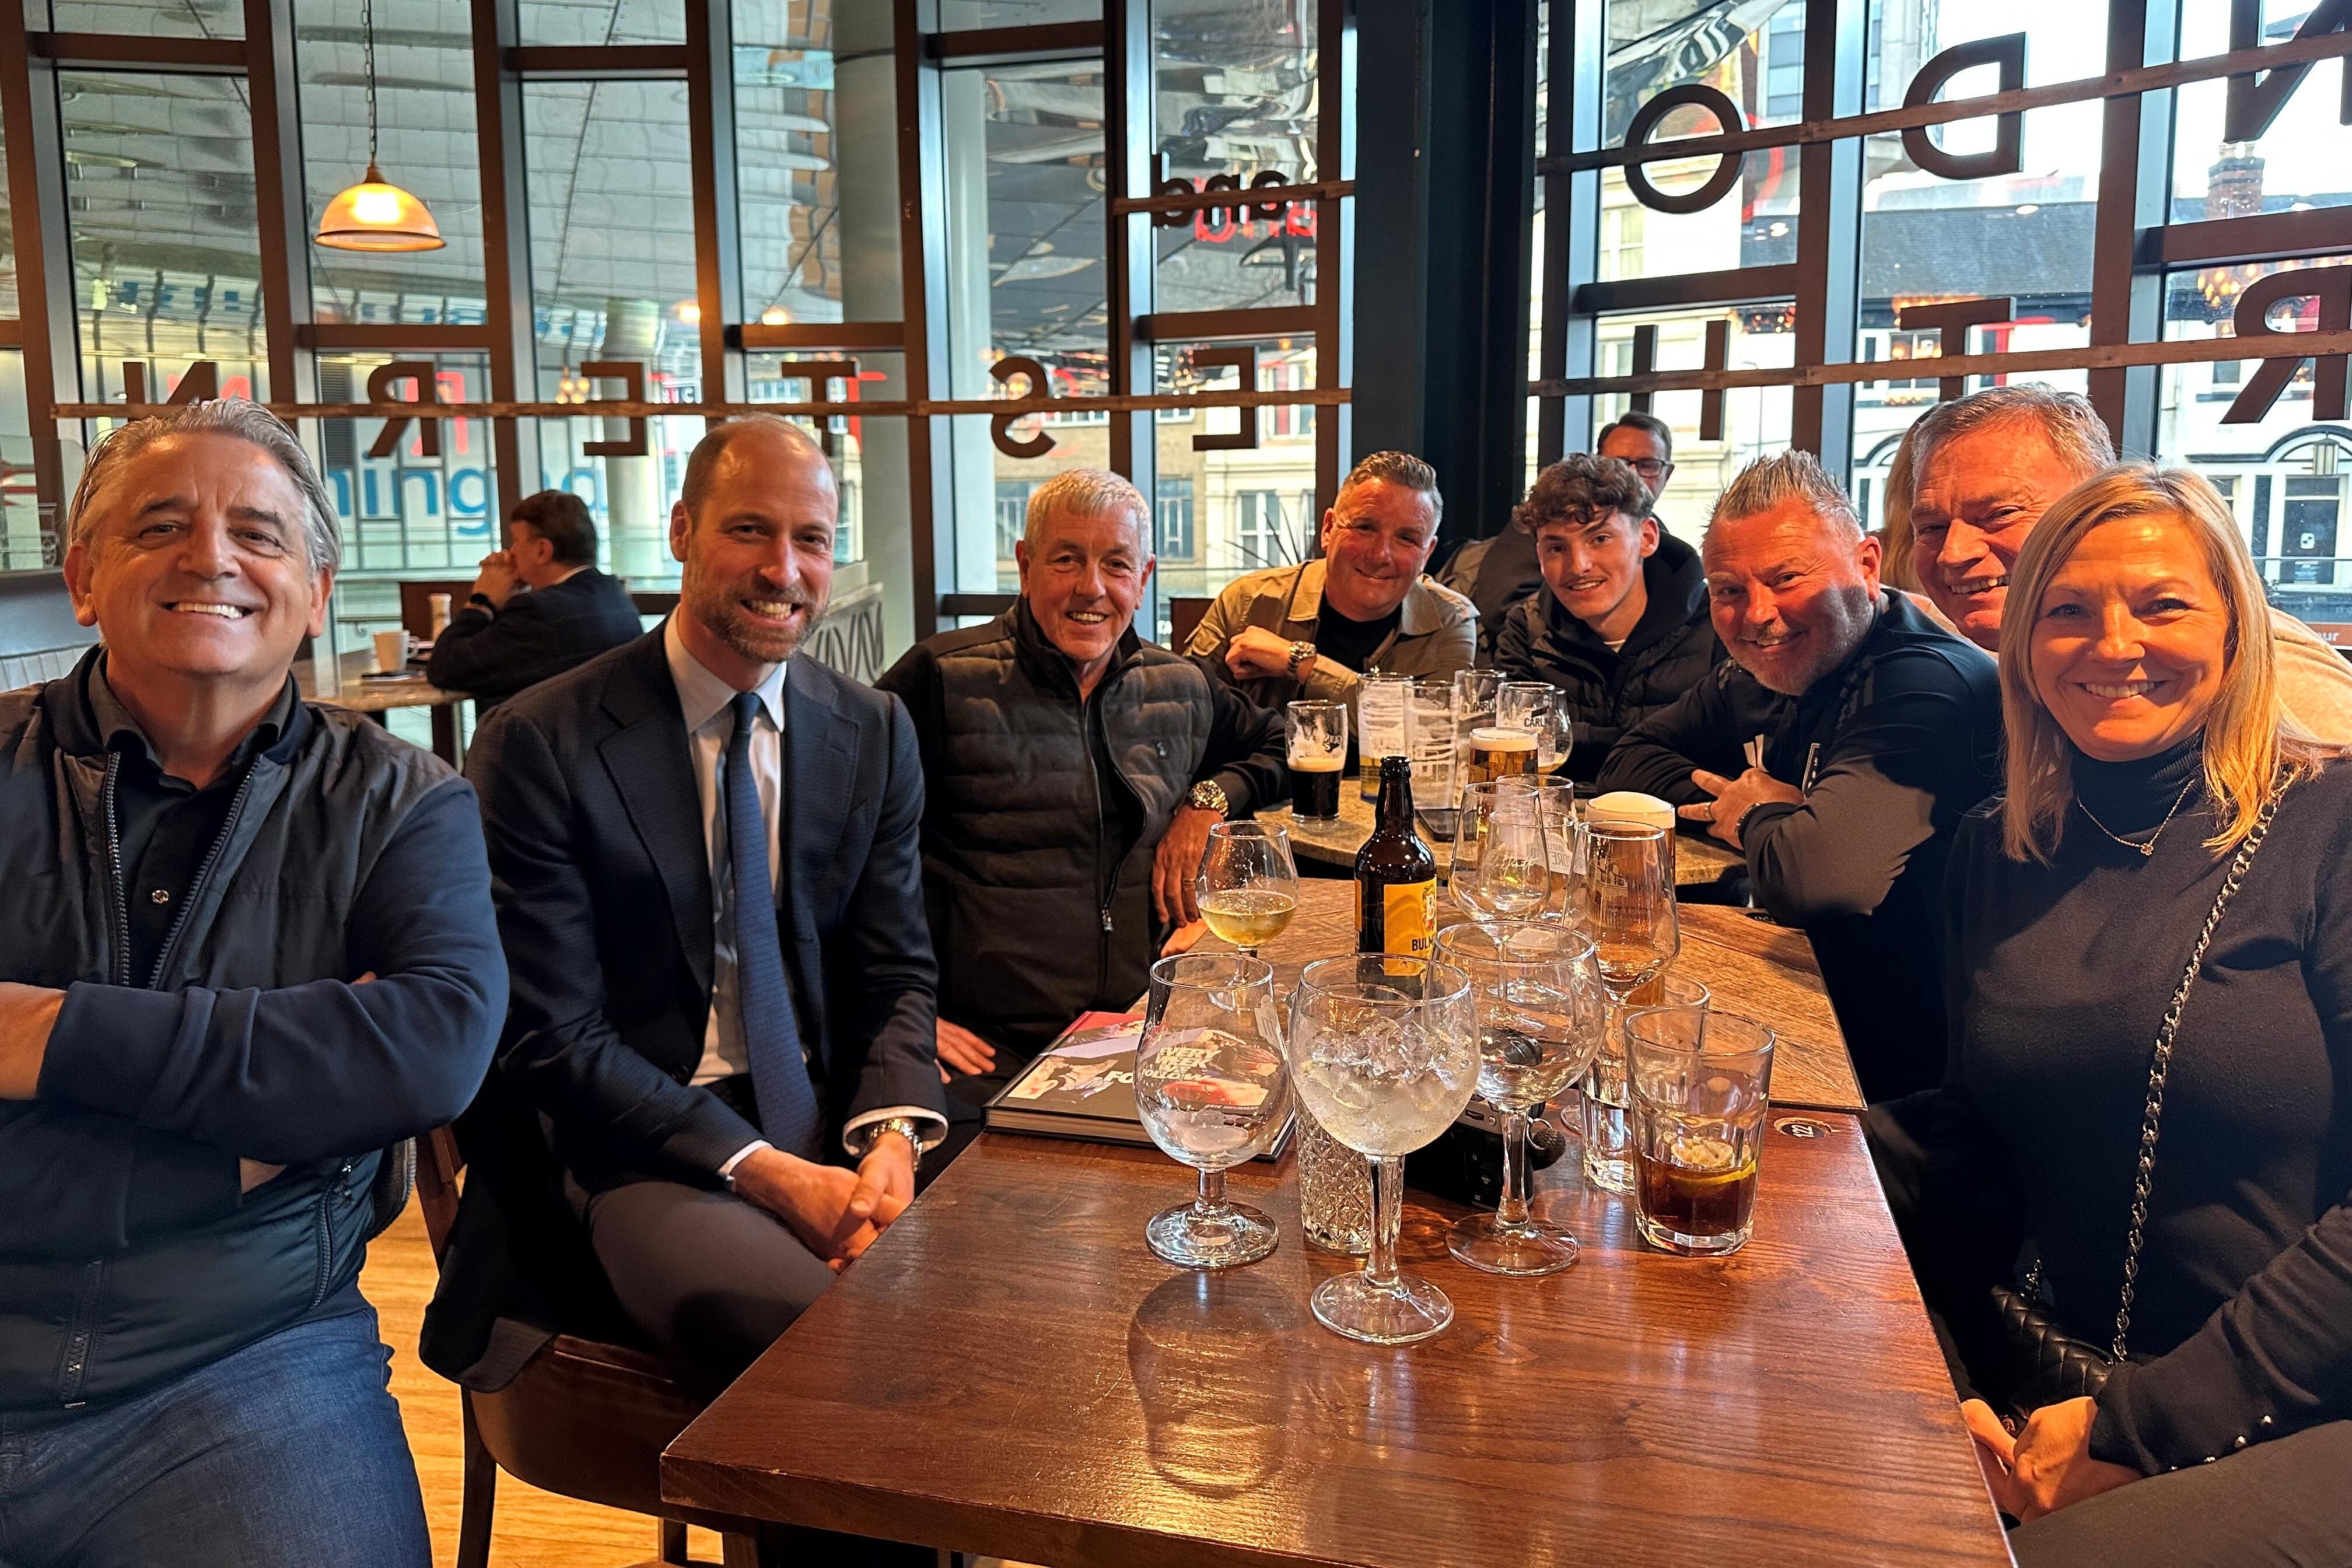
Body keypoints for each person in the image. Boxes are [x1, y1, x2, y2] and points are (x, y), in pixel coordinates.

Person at [0, 400, 506, 1567]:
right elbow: (365, 1065)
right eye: (160, 526)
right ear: (84, 577)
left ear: (317, 591)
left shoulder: (400, 800)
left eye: (261, 535)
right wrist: (244, 1146)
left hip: (249, 1353)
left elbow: (430, 1047)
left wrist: (45, 1036)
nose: (213, 556)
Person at [1867, 466, 2352, 1565]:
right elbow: (1974, 1140)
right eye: (2068, 610)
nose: (2113, 643)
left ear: (2237, 626)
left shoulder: (2331, 823)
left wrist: (2140, 1428)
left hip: (2304, 1398)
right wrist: (1930, 1378)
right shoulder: (1998, 848)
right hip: (2060, 1372)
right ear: (2024, 648)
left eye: (2163, 604)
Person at [429, 415, 945, 1405]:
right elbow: (550, 1036)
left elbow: (894, 969)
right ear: (679, 530)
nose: (783, 570)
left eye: (813, 540)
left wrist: (888, 1135)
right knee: (834, 1353)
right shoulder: (540, 742)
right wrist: (768, 1171)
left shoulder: (870, 729)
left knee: (1035, 1278)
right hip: (632, 1144)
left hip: (828, 1110)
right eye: (749, 530)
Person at [878, 468, 1287, 1152]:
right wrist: (902, 1014)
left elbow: (1282, 745)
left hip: (1141, 1033)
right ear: (1026, 563)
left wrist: (1207, 803)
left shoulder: (1181, 684)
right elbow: (839, 854)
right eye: (1067, 558)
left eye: (1115, 564)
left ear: (1145, 574)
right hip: (981, 1047)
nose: (1091, 588)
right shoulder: (944, 678)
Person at [1598, 450, 1999, 1102]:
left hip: (1906, 1076)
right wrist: (1742, 804)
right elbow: (1632, 758)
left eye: (1787, 578)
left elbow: (1819, 876)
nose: (1757, 614)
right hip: (1799, 1000)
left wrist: (1759, 819)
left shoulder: (1923, 677)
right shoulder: (1761, 670)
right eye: (1729, 591)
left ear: (1867, 566)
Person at [1898, 383, 2352, 741]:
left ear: (2099, 501)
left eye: (1999, 515)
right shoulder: (2014, 645)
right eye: (1932, 528)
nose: (1955, 553)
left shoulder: (2264, 666)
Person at [1491, 452, 1719, 782]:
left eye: (1599, 539)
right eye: (1557, 548)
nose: (1578, 566)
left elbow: (1716, 758)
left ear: (1647, 537)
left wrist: (1572, 739)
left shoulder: (1716, 625)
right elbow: (1515, 756)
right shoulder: (1527, 630)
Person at [1185, 450, 1475, 705]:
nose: (1380, 555)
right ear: (1328, 529)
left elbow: (1430, 734)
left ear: (1427, 553)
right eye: (1365, 527)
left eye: (1406, 538)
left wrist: (1301, 664)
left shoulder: (1450, 620)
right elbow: (1182, 707)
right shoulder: (1249, 603)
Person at [1452, 413, 1679, 649]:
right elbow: (1502, 607)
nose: (1632, 474)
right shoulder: (1544, 517)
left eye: (1648, 465)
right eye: (1619, 464)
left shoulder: (1695, 621)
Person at [424, 488, 644, 710]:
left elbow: (444, 668)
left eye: (516, 541)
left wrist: (482, 601)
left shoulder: (537, 612)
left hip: (534, 744)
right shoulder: (615, 597)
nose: (511, 553)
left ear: (542, 551)